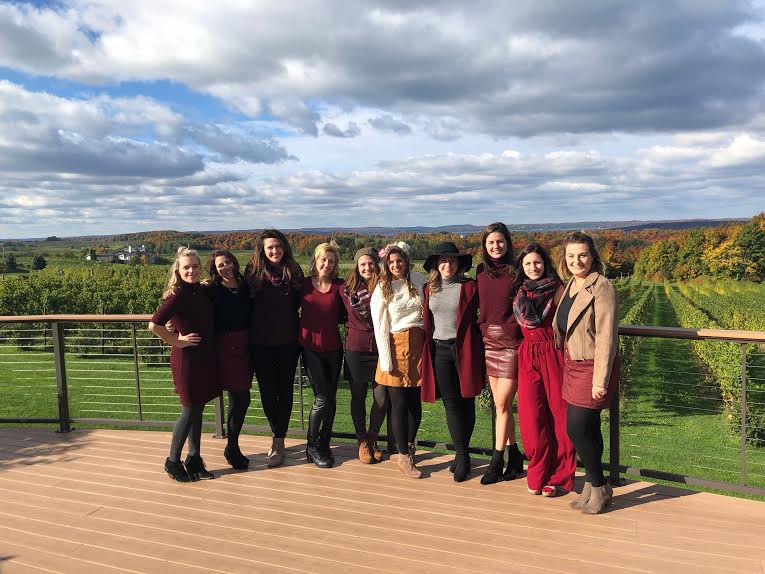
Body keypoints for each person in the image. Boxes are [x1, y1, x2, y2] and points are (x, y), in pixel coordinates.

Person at [553, 231, 620, 514]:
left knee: (576, 428)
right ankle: (592, 487)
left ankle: (600, 485)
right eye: (571, 256)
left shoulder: (602, 287)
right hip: (572, 364)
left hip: (592, 367)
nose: (576, 261)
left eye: (582, 255)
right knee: (588, 428)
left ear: (592, 257)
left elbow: (607, 337)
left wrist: (600, 380)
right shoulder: (570, 285)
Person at [148, 247, 220, 482]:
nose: (191, 270)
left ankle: (194, 459)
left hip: (203, 358)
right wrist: (176, 341)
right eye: (186, 267)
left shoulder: (199, 290)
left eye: (195, 266)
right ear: (177, 270)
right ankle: (172, 461)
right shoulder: (177, 295)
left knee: (197, 409)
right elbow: (154, 324)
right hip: (186, 360)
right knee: (189, 410)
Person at [513, 243, 576, 497]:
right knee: (531, 417)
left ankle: (560, 475)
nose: (533, 267)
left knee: (559, 415)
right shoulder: (521, 293)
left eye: (537, 262)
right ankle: (537, 471)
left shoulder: (559, 290)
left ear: (545, 263)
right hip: (527, 355)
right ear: (522, 267)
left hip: (553, 353)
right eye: (528, 263)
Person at [421, 242, 484, 482]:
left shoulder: (469, 287)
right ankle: (462, 454)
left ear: (459, 264)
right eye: (444, 260)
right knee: (451, 404)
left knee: (467, 400)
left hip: (465, 350)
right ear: (437, 264)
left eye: (453, 261)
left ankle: (462, 454)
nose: (448, 265)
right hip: (441, 351)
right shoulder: (429, 288)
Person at [245, 229, 304, 467]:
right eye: (270, 247)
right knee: (268, 393)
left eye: (278, 246)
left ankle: (278, 441)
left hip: (289, 342)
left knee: (285, 392)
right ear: (262, 250)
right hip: (260, 343)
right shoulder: (253, 272)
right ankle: (276, 436)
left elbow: (307, 299)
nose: (274, 251)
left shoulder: (294, 271)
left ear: (284, 247)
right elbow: (234, 295)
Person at [370, 242, 427, 479]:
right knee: (399, 403)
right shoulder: (382, 287)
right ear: (386, 263)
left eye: (399, 260)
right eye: (391, 262)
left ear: (406, 260)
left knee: (415, 402)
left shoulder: (419, 279)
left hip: (419, 343)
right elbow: (380, 325)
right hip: (395, 346)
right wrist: (386, 360)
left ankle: (409, 447)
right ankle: (403, 454)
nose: (395, 265)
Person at [475, 222, 524, 484]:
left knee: (502, 404)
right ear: (484, 245)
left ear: (508, 243)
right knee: (500, 405)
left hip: (511, 344)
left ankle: (496, 460)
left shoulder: (517, 271)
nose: (496, 246)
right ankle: (515, 456)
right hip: (488, 342)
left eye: (500, 241)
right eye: (491, 242)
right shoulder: (480, 271)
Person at [299, 242, 346, 468]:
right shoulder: (303, 285)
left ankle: (325, 442)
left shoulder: (340, 286)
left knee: (332, 398)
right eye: (323, 260)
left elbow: (353, 310)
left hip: (334, 349)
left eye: (331, 261)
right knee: (322, 398)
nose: (327, 264)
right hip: (310, 349)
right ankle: (311, 445)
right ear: (316, 261)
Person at [205, 250, 253, 470]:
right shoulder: (211, 289)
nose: (226, 267)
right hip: (224, 346)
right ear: (214, 269)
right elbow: (188, 305)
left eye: (229, 262)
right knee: (239, 396)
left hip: (245, 345)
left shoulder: (244, 286)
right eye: (221, 265)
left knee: (242, 398)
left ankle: (232, 445)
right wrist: (172, 325)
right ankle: (232, 446)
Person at [340, 247, 389, 464]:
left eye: (370, 263)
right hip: (356, 349)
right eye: (362, 264)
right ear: (357, 266)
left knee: (381, 398)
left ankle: (373, 437)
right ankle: (362, 441)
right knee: (358, 397)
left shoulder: (384, 287)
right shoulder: (346, 289)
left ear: (376, 265)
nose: (367, 267)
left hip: (381, 349)